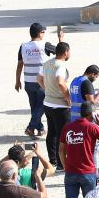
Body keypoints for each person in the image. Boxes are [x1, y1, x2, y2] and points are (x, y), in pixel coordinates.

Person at [17, 22, 60, 138]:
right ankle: (30, 127)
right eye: (43, 32)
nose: (44, 34)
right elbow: (60, 52)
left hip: (28, 82)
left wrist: (17, 81)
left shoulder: (23, 46)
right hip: (42, 82)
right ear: (40, 33)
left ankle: (40, 128)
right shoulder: (44, 45)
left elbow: (20, 65)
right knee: (42, 106)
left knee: (35, 107)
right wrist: (60, 39)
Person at [37, 40, 71, 168]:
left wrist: (47, 89)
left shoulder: (47, 64)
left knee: (52, 132)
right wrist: (67, 97)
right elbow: (61, 82)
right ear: (66, 52)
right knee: (62, 135)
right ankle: (62, 163)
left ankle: (53, 160)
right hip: (60, 105)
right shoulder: (60, 66)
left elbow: (38, 78)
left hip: (48, 103)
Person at [69, 64, 99, 133]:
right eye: (96, 77)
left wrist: (96, 95)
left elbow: (80, 96)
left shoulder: (75, 80)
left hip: (73, 117)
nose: (95, 79)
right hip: (83, 119)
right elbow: (91, 104)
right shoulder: (86, 83)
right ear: (92, 74)